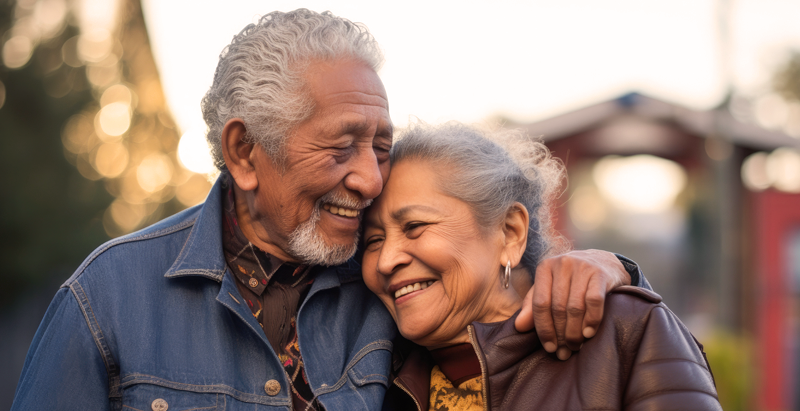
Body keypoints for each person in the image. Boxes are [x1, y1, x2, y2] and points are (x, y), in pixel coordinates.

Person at [12, 10, 649, 410]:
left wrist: (606, 270)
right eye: (342, 146)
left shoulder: (391, 287)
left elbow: (501, 328)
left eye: (380, 146)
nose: (372, 180)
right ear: (244, 151)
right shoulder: (108, 299)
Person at [361, 122, 721, 410]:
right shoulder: (370, 381)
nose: (388, 260)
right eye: (373, 241)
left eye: (415, 227)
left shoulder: (623, 331)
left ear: (510, 231)